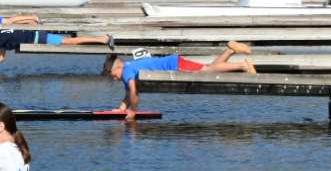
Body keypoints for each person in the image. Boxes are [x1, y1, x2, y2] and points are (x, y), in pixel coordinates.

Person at [103, 42, 256, 119]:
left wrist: (134, 111)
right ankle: (230, 49)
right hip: (174, 62)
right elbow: (129, 94)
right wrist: (121, 108)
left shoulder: (127, 71)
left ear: (117, 68)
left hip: (175, 64)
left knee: (207, 71)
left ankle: (243, 65)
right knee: (208, 69)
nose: (114, 78)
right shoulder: (128, 68)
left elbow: (134, 92)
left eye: (113, 75)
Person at [0, 25, 108, 69]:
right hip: (38, 35)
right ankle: (101, 39)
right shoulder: (2, 35)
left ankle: (102, 39)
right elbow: (1, 58)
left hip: (40, 37)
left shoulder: (1, 38)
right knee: (70, 41)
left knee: (71, 41)